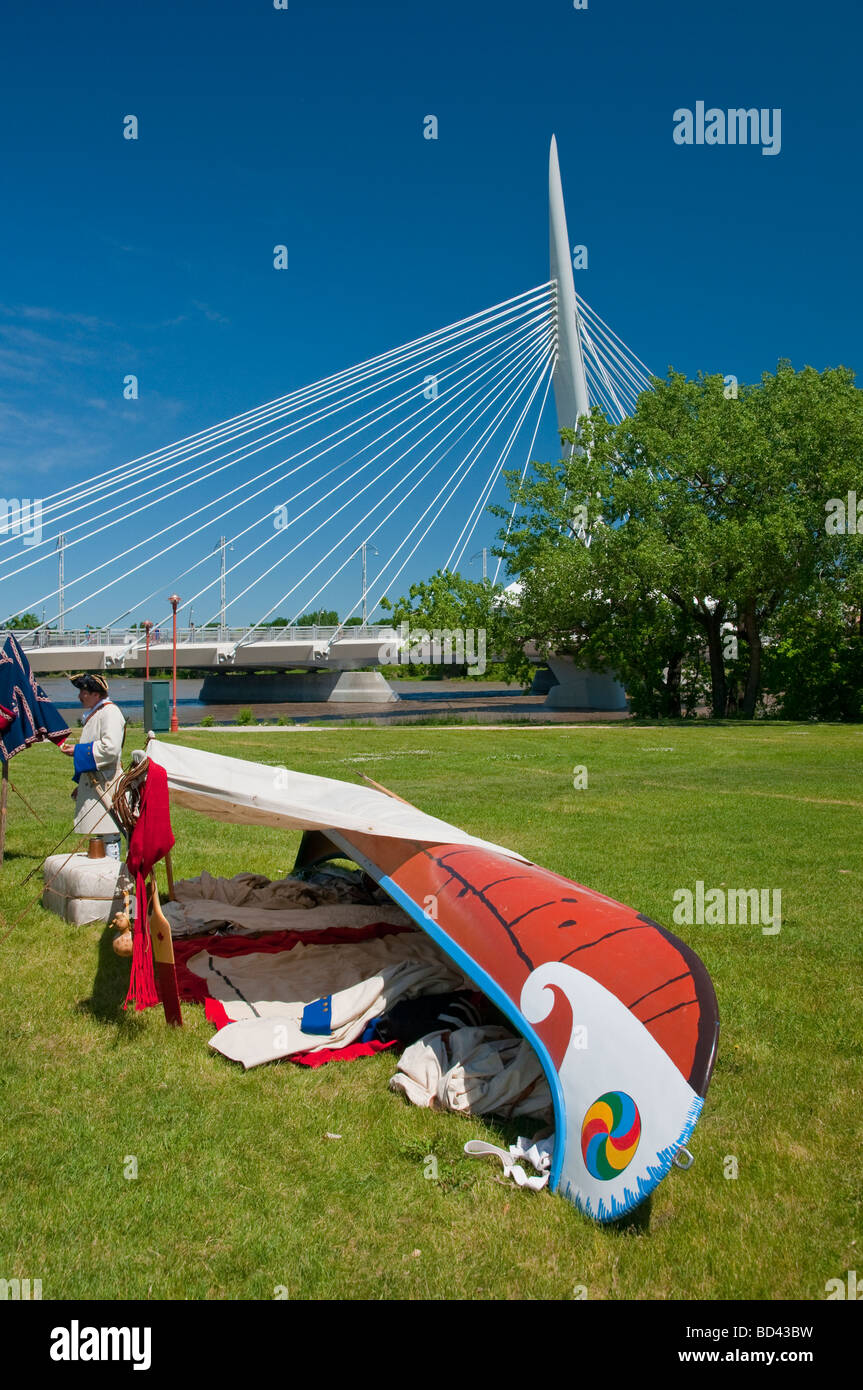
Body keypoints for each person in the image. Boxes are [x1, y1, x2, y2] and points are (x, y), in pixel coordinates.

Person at [58, 673, 127, 859]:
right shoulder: (99, 712)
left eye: (84, 692)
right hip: (97, 781)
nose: (80, 696)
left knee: (109, 831)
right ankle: (103, 874)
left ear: (96, 694)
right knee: (100, 829)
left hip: (107, 782)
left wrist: (78, 751)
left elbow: (110, 748)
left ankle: (113, 875)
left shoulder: (110, 712)